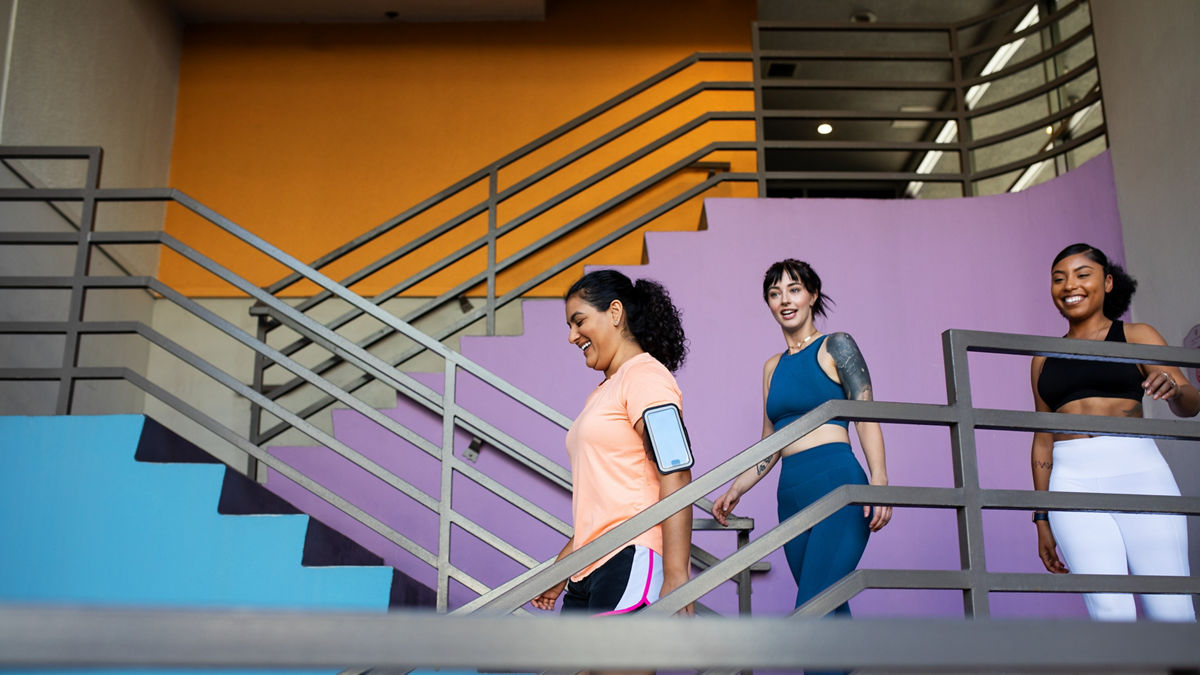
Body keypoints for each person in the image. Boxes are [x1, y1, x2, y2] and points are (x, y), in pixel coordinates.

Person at [713, 259, 890, 620]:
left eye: (794, 289)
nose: (785, 300)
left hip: (836, 483)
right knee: (829, 609)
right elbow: (769, 443)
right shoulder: (771, 367)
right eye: (775, 294)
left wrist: (880, 481)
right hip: (791, 496)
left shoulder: (836, 346)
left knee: (813, 609)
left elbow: (866, 416)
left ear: (812, 294)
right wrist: (737, 488)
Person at [1030, 243, 1199, 622]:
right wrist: (1042, 518)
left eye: (1081, 274)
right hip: (1070, 479)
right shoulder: (1042, 356)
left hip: (1139, 473)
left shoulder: (1137, 334)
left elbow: (1191, 403)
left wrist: (1173, 389)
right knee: (1108, 611)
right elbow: (1042, 437)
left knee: (1171, 608)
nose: (1069, 285)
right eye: (1059, 278)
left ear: (1107, 283)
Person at [531, 269, 694, 616]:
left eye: (579, 321)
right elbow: (606, 504)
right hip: (587, 567)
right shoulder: (605, 391)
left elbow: (676, 469)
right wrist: (560, 570)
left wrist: (678, 574)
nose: (573, 336)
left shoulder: (645, 377)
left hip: (629, 556)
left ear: (615, 313)